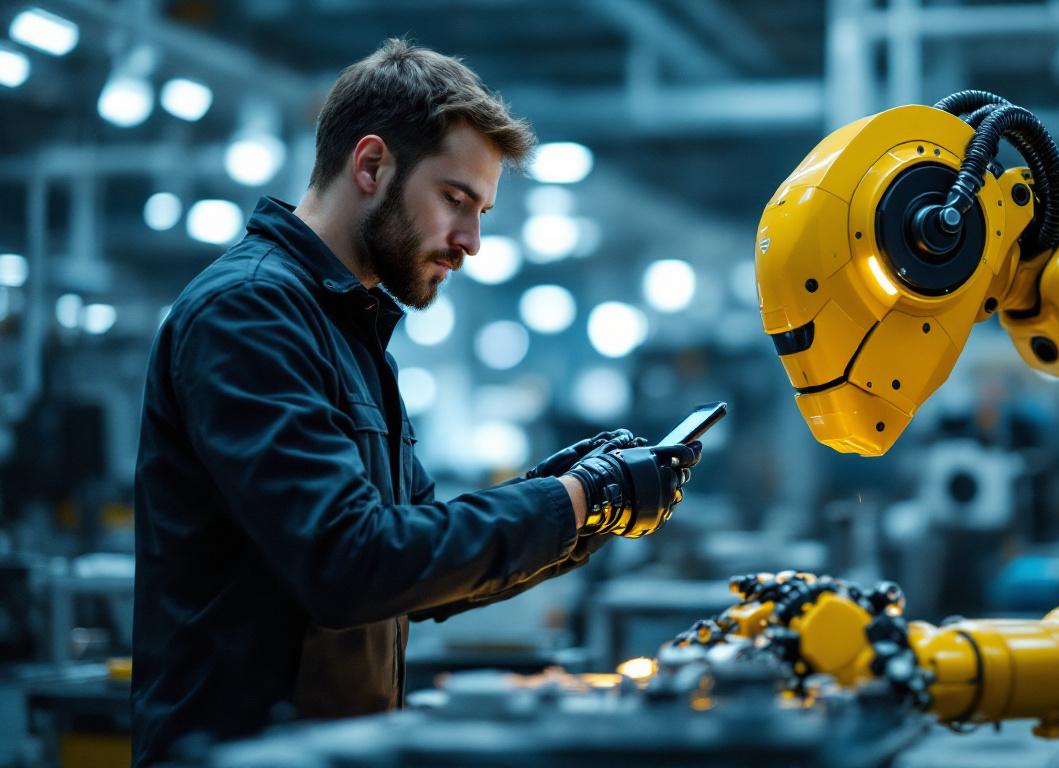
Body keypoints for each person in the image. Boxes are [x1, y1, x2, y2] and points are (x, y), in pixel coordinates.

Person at [131, 39, 700, 766]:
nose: (472, 242)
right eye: (456, 200)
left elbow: (415, 562)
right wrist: (576, 498)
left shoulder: (351, 330)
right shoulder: (250, 314)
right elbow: (351, 564)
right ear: (371, 166)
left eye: (482, 210)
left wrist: (580, 504)